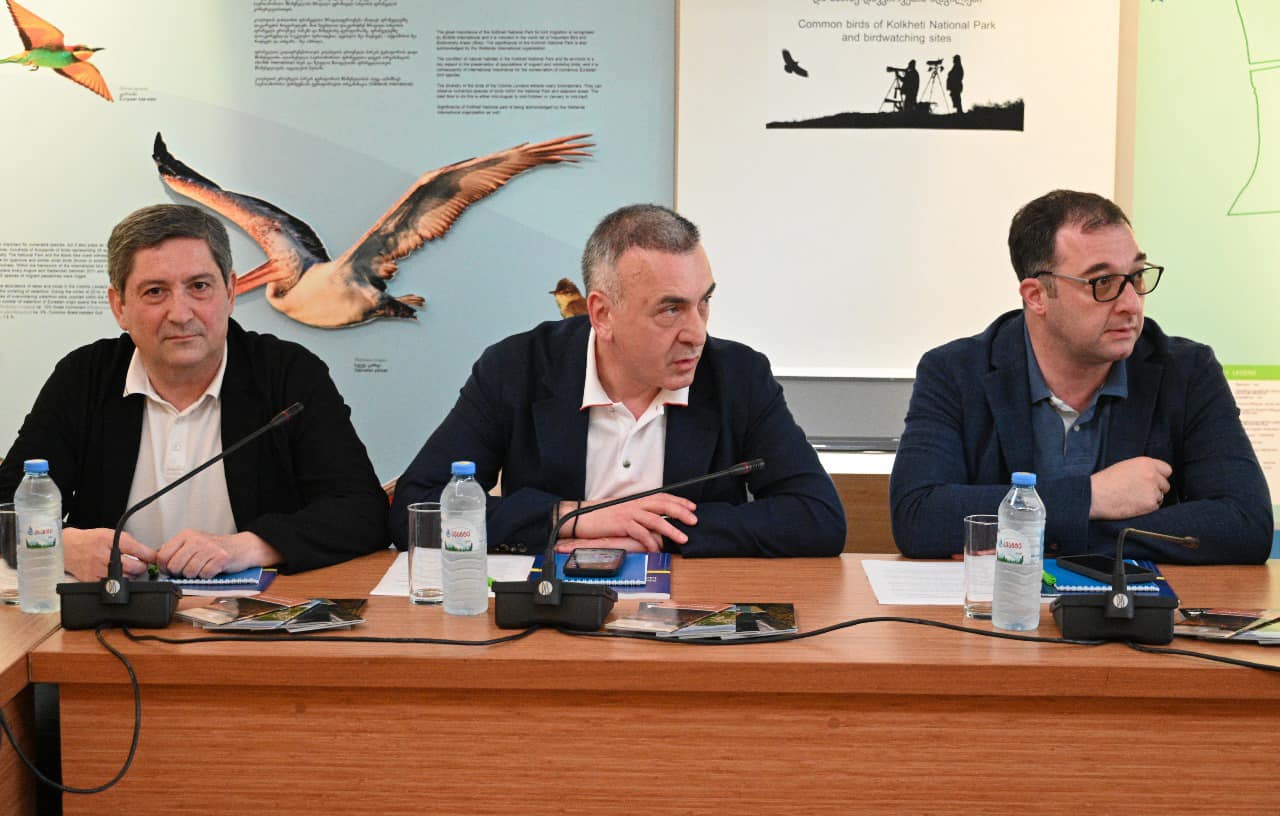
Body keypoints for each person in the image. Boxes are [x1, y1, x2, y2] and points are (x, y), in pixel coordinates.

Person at [391, 204, 846, 557]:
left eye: (703, 302)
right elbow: (416, 508)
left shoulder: (738, 375)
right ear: (602, 314)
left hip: (685, 614)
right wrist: (571, 518)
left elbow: (818, 517)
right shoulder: (517, 367)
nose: (697, 334)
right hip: (548, 618)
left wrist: (655, 531)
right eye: (671, 309)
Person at [0, 204, 389, 580]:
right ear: (119, 307)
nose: (181, 314)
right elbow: (6, 503)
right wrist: (60, 546)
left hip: (252, 612)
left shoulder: (287, 373)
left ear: (230, 292)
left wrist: (248, 547)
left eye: (199, 287)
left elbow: (362, 511)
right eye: (155, 291)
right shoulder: (85, 377)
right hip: (113, 611)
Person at [890, 190, 1271, 564]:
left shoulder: (1187, 371)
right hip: (998, 602)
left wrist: (1042, 539)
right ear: (1036, 296)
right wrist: (1092, 497)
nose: (1130, 304)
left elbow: (1245, 524)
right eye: (1102, 283)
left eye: (1137, 276)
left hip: (1133, 603)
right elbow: (919, 517)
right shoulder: (956, 371)